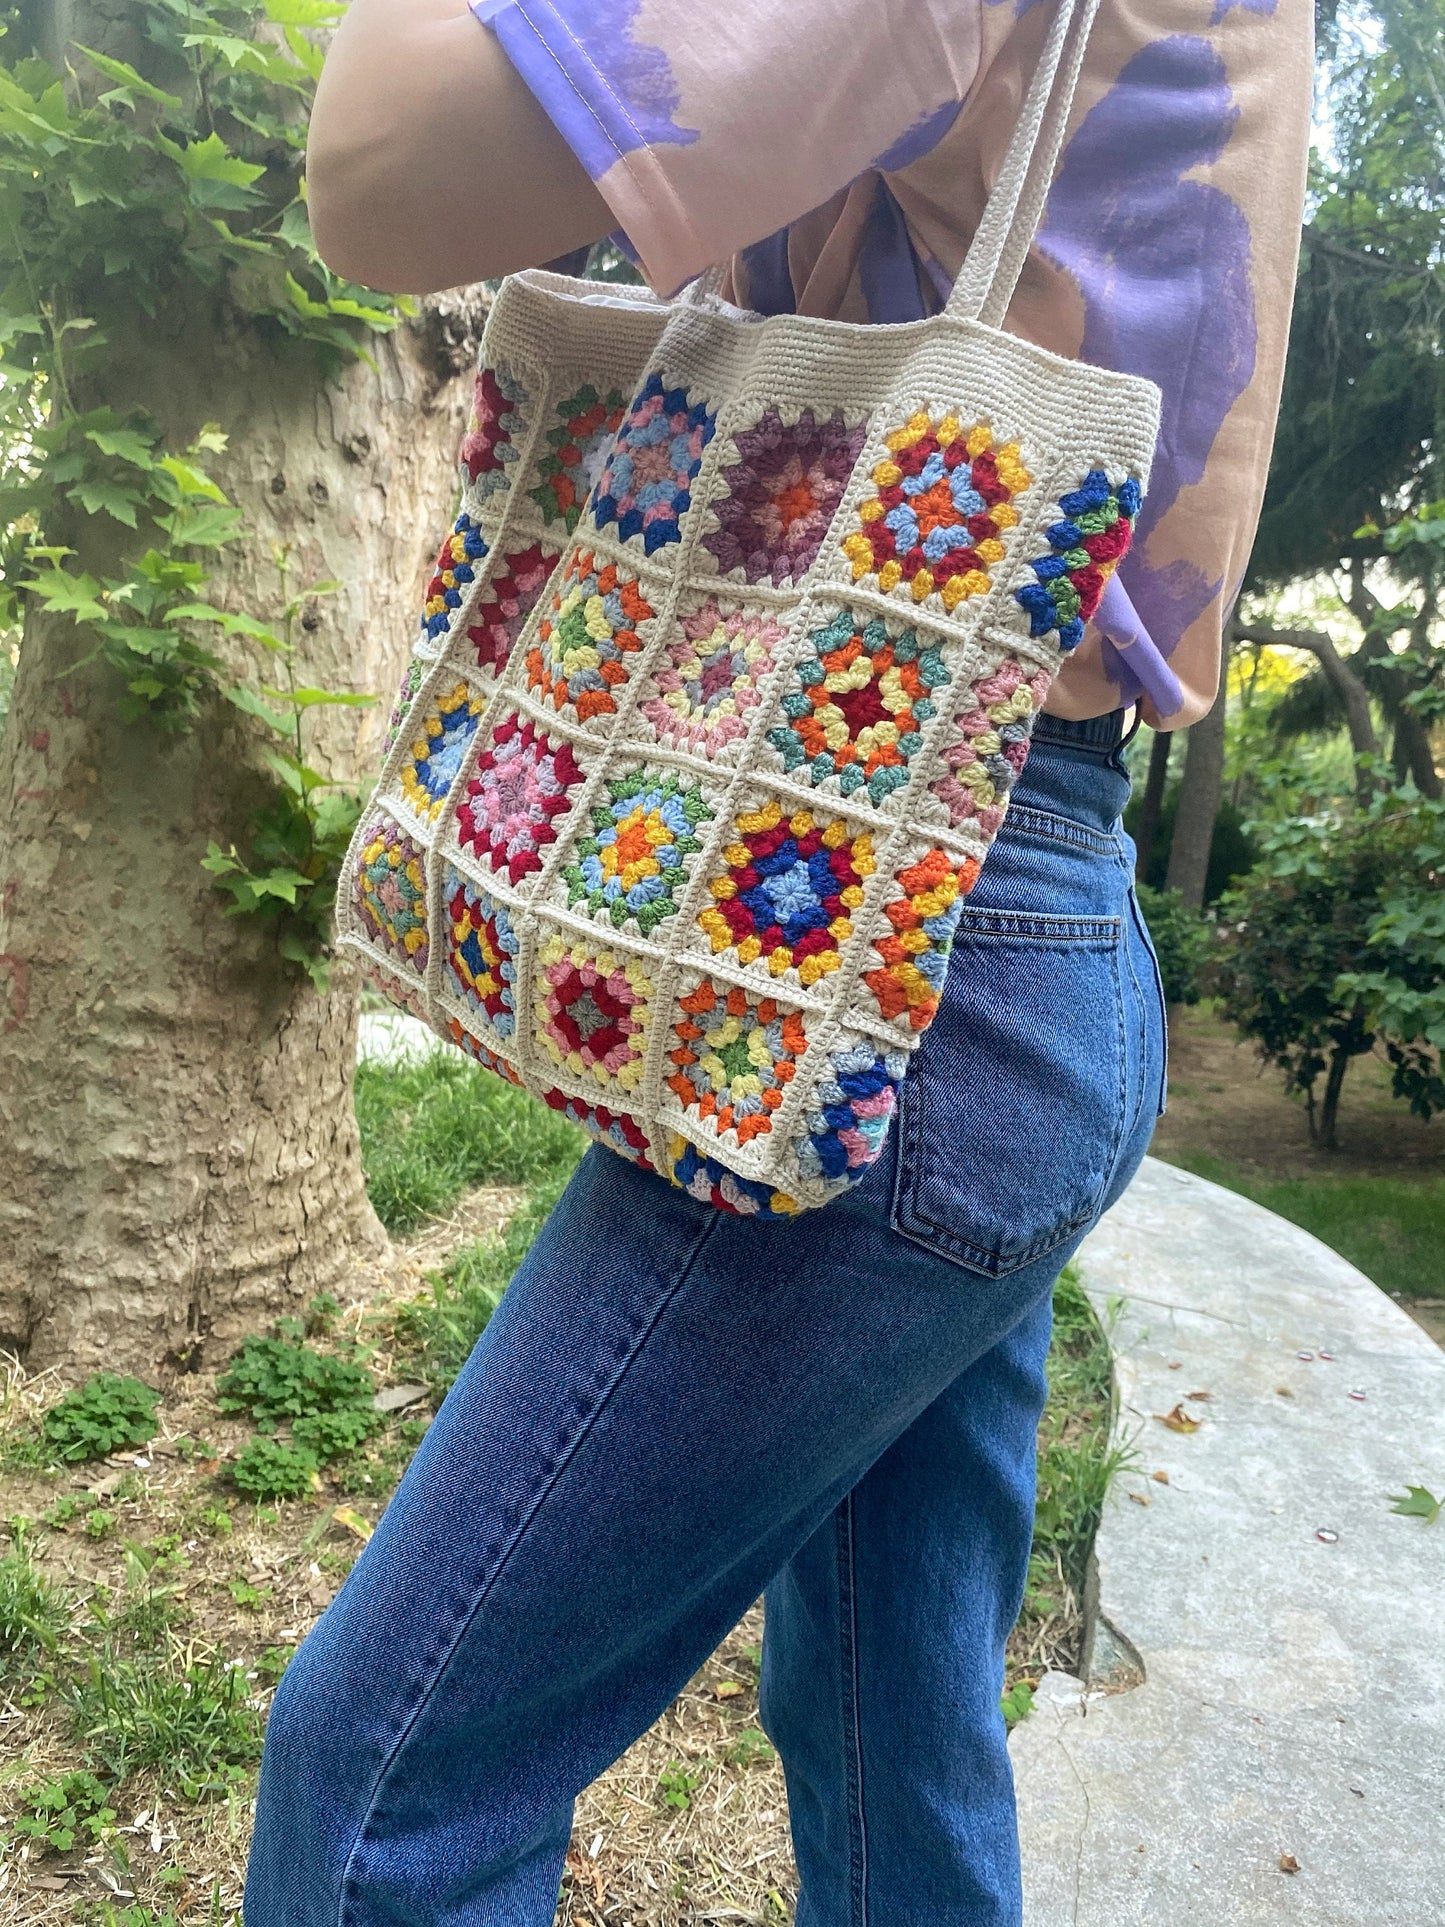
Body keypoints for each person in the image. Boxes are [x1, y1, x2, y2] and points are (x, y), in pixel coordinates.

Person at [244, 3, 1312, 1922]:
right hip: (1020, 924)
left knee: (387, 1785)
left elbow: (378, 173)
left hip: (884, 975)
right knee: (889, 1739)